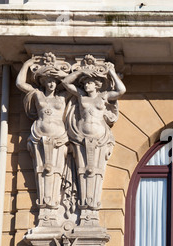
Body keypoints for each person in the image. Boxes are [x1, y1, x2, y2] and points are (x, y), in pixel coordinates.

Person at [61, 59, 126, 225]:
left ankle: (91, 206)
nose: (86, 86)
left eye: (88, 83)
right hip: (80, 137)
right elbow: (65, 82)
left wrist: (111, 72)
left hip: (98, 138)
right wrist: (81, 72)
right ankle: (84, 205)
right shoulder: (81, 96)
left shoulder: (103, 97)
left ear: (96, 85)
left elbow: (121, 90)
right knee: (83, 170)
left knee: (94, 171)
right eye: (85, 83)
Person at [16, 54, 70, 225]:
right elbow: (19, 84)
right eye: (47, 80)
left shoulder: (63, 95)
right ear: (43, 82)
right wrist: (27, 64)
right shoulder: (37, 94)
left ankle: (53, 205)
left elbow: (73, 84)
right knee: (42, 171)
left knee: (56, 171)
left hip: (59, 138)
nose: (51, 83)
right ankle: (45, 207)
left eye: (53, 80)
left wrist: (59, 73)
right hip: (39, 136)